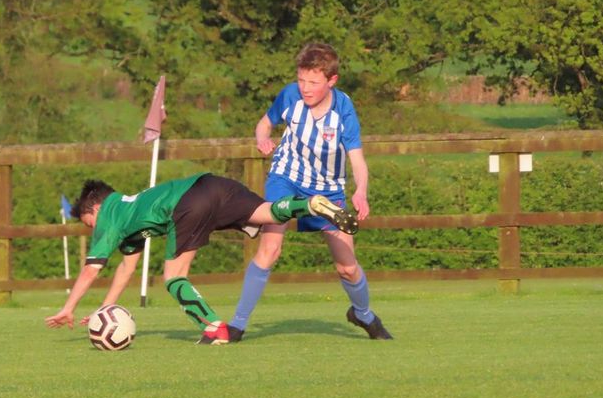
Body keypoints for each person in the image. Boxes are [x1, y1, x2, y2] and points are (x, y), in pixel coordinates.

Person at [44, 172, 357, 345]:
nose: (95, 232)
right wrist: (104, 310)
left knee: (173, 278)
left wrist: (68, 308)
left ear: (94, 209)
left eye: (90, 225)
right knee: (267, 214)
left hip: (188, 204)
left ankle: (213, 328)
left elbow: (90, 271)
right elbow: (127, 268)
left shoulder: (109, 215)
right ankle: (309, 205)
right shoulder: (128, 214)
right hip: (215, 184)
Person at [229, 42, 392, 342]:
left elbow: (357, 158)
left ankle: (363, 314)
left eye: (313, 82)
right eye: (302, 79)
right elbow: (263, 125)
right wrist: (262, 139)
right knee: (270, 249)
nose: (305, 88)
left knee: (347, 267)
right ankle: (236, 325)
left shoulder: (344, 109)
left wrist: (361, 192)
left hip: (329, 192)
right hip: (286, 179)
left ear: (332, 81)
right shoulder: (290, 95)